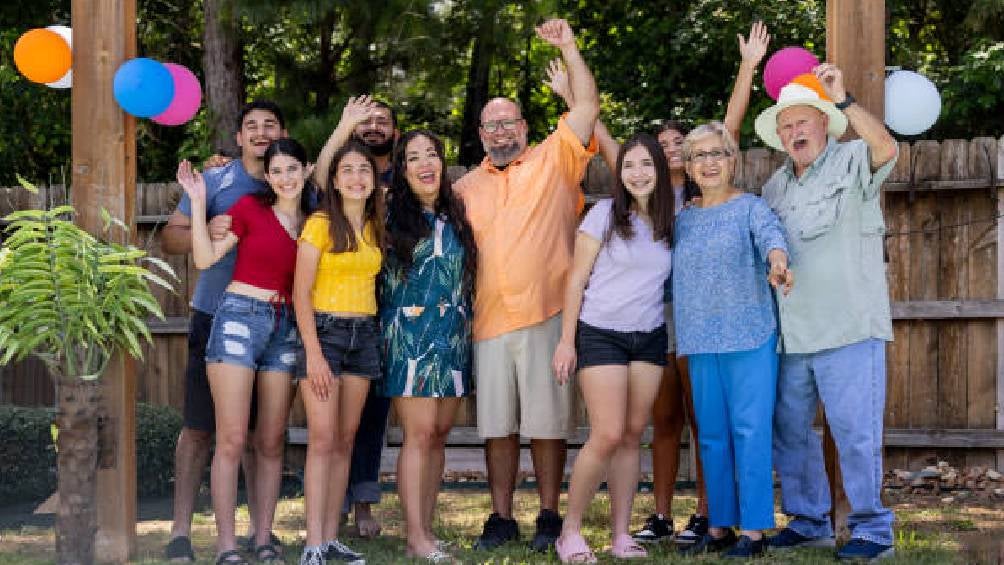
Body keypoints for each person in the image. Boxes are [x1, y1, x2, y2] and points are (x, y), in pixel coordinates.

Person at [453, 18, 600, 552]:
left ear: (524, 126)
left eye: (508, 122)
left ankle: (548, 516)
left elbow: (587, 106)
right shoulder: (464, 187)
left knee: (547, 424)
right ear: (480, 134)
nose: (500, 132)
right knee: (497, 427)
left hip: (547, 314)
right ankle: (500, 518)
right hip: (488, 320)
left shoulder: (555, 159)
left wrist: (570, 47)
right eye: (491, 125)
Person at [754, 65, 899, 561]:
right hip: (793, 335)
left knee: (856, 435)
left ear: (824, 124)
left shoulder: (853, 158)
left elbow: (887, 148)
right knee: (790, 431)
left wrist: (844, 99)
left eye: (803, 122)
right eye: (786, 126)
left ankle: (873, 530)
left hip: (850, 328)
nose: (795, 132)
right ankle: (810, 520)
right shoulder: (773, 188)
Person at [174, 137, 312, 565]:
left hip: (285, 328)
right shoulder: (250, 208)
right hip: (238, 319)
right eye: (277, 171)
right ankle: (226, 547)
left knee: (270, 441)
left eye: (293, 169)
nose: (285, 178)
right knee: (231, 439)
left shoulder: (315, 222)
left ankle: (264, 538)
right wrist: (199, 202)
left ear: (306, 171)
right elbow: (204, 258)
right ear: (267, 177)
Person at [550, 133, 674, 563]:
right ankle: (569, 532)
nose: (637, 173)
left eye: (646, 164)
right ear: (619, 174)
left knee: (633, 434)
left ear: (659, 170)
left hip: (649, 335)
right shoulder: (603, 214)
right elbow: (575, 281)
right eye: (629, 165)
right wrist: (566, 342)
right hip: (601, 332)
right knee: (607, 433)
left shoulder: (670, 219)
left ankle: (621, 535)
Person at [673, 121, 793, 559]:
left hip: (749, 336)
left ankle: (755, 530)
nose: (709, 163)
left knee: (750, 432)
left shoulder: (751, 208)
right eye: (699, 156)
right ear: (688, 167)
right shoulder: (683, 219)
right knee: (712, 436)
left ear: (732, 160)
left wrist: (777, 262)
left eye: (717, 154)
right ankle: (720, 525)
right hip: (700, 340)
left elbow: (772, 240)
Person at [381, 130, 478, 562]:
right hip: (409, 337)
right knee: (418, 435)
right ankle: (415, 537)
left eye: (432, 155)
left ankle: (427, 530)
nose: (425, 163)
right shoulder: (387, 213)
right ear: (402, 170)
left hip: (453, 335)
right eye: (414, 157)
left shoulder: (456, 213)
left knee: (438, 435)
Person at [293, 141, 385, 565]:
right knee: (323, 439)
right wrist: (313, 354)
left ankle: (330, 539)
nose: (356, 177)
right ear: (333, 180)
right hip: (325, 335)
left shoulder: (374, 225)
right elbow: (300, 293)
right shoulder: (320, 223)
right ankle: (312, 543)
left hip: (364, 336)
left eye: (364, 169)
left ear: (374, 179)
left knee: (346, 441)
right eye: (347, 169)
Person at [315, 95, 398, 538]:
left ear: (394, 132)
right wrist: (343, 124)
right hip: (334, 315)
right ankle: (331, 514)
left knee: (370, 417)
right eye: (366, 120)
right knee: (330, 428)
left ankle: (362, 502)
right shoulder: (342, 182)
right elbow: (319, 176)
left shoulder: (401, 179)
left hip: (382, 314)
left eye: (382, 120)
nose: (374, 126)